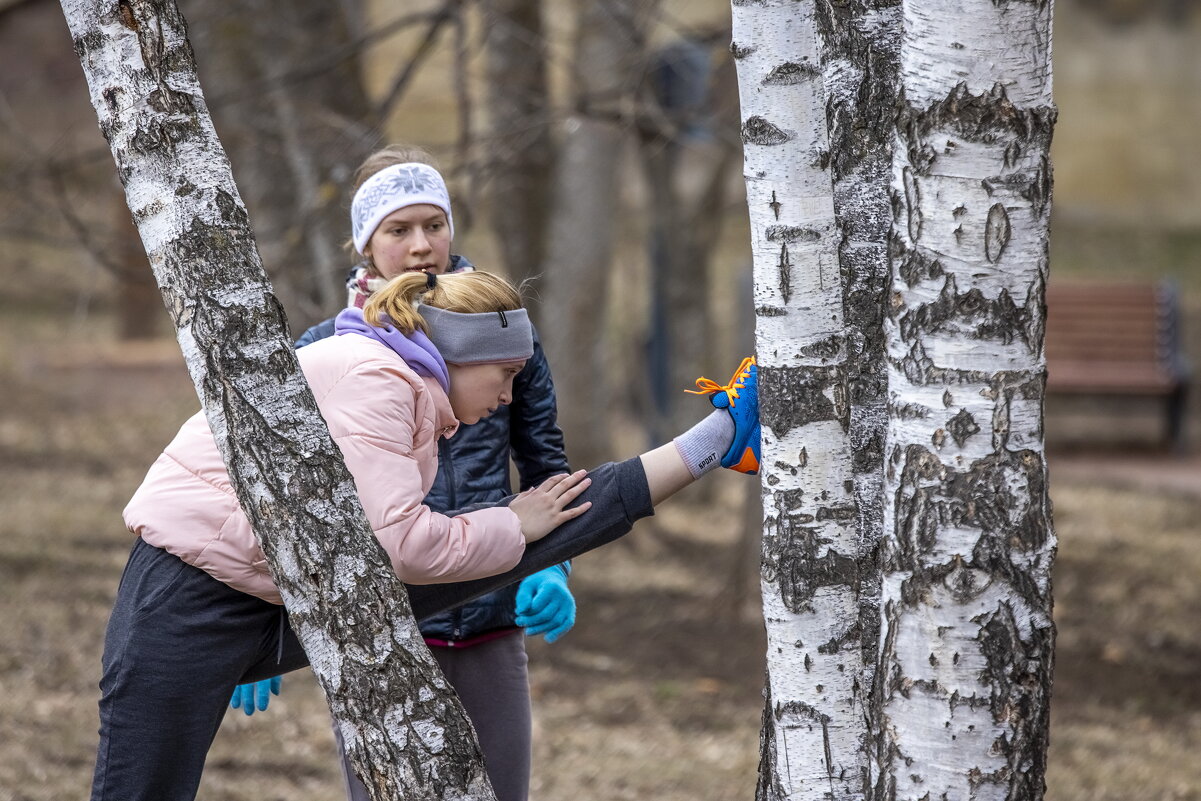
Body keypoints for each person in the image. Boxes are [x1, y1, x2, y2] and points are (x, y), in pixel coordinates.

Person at [89, 264, 760, 801]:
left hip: (284, 590)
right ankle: (719, 437)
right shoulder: (374, 378)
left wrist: (516, 530)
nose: (506, 397)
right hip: (186, 601)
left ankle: (717, 440)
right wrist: (509, 522)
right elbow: (402, 546)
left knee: (532, 534)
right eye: (504, 377)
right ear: (466, 355)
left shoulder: (409, 395)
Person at [231, 146, 576, 801]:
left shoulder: (505, 332)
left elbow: (545, 465)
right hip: (374, 624)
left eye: (434, 225)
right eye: (398, 229)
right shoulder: (322, 350)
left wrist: (553, 564)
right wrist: (259, 616)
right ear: (364, 243)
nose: (422, 245)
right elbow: (277, 498)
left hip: (488, 611)